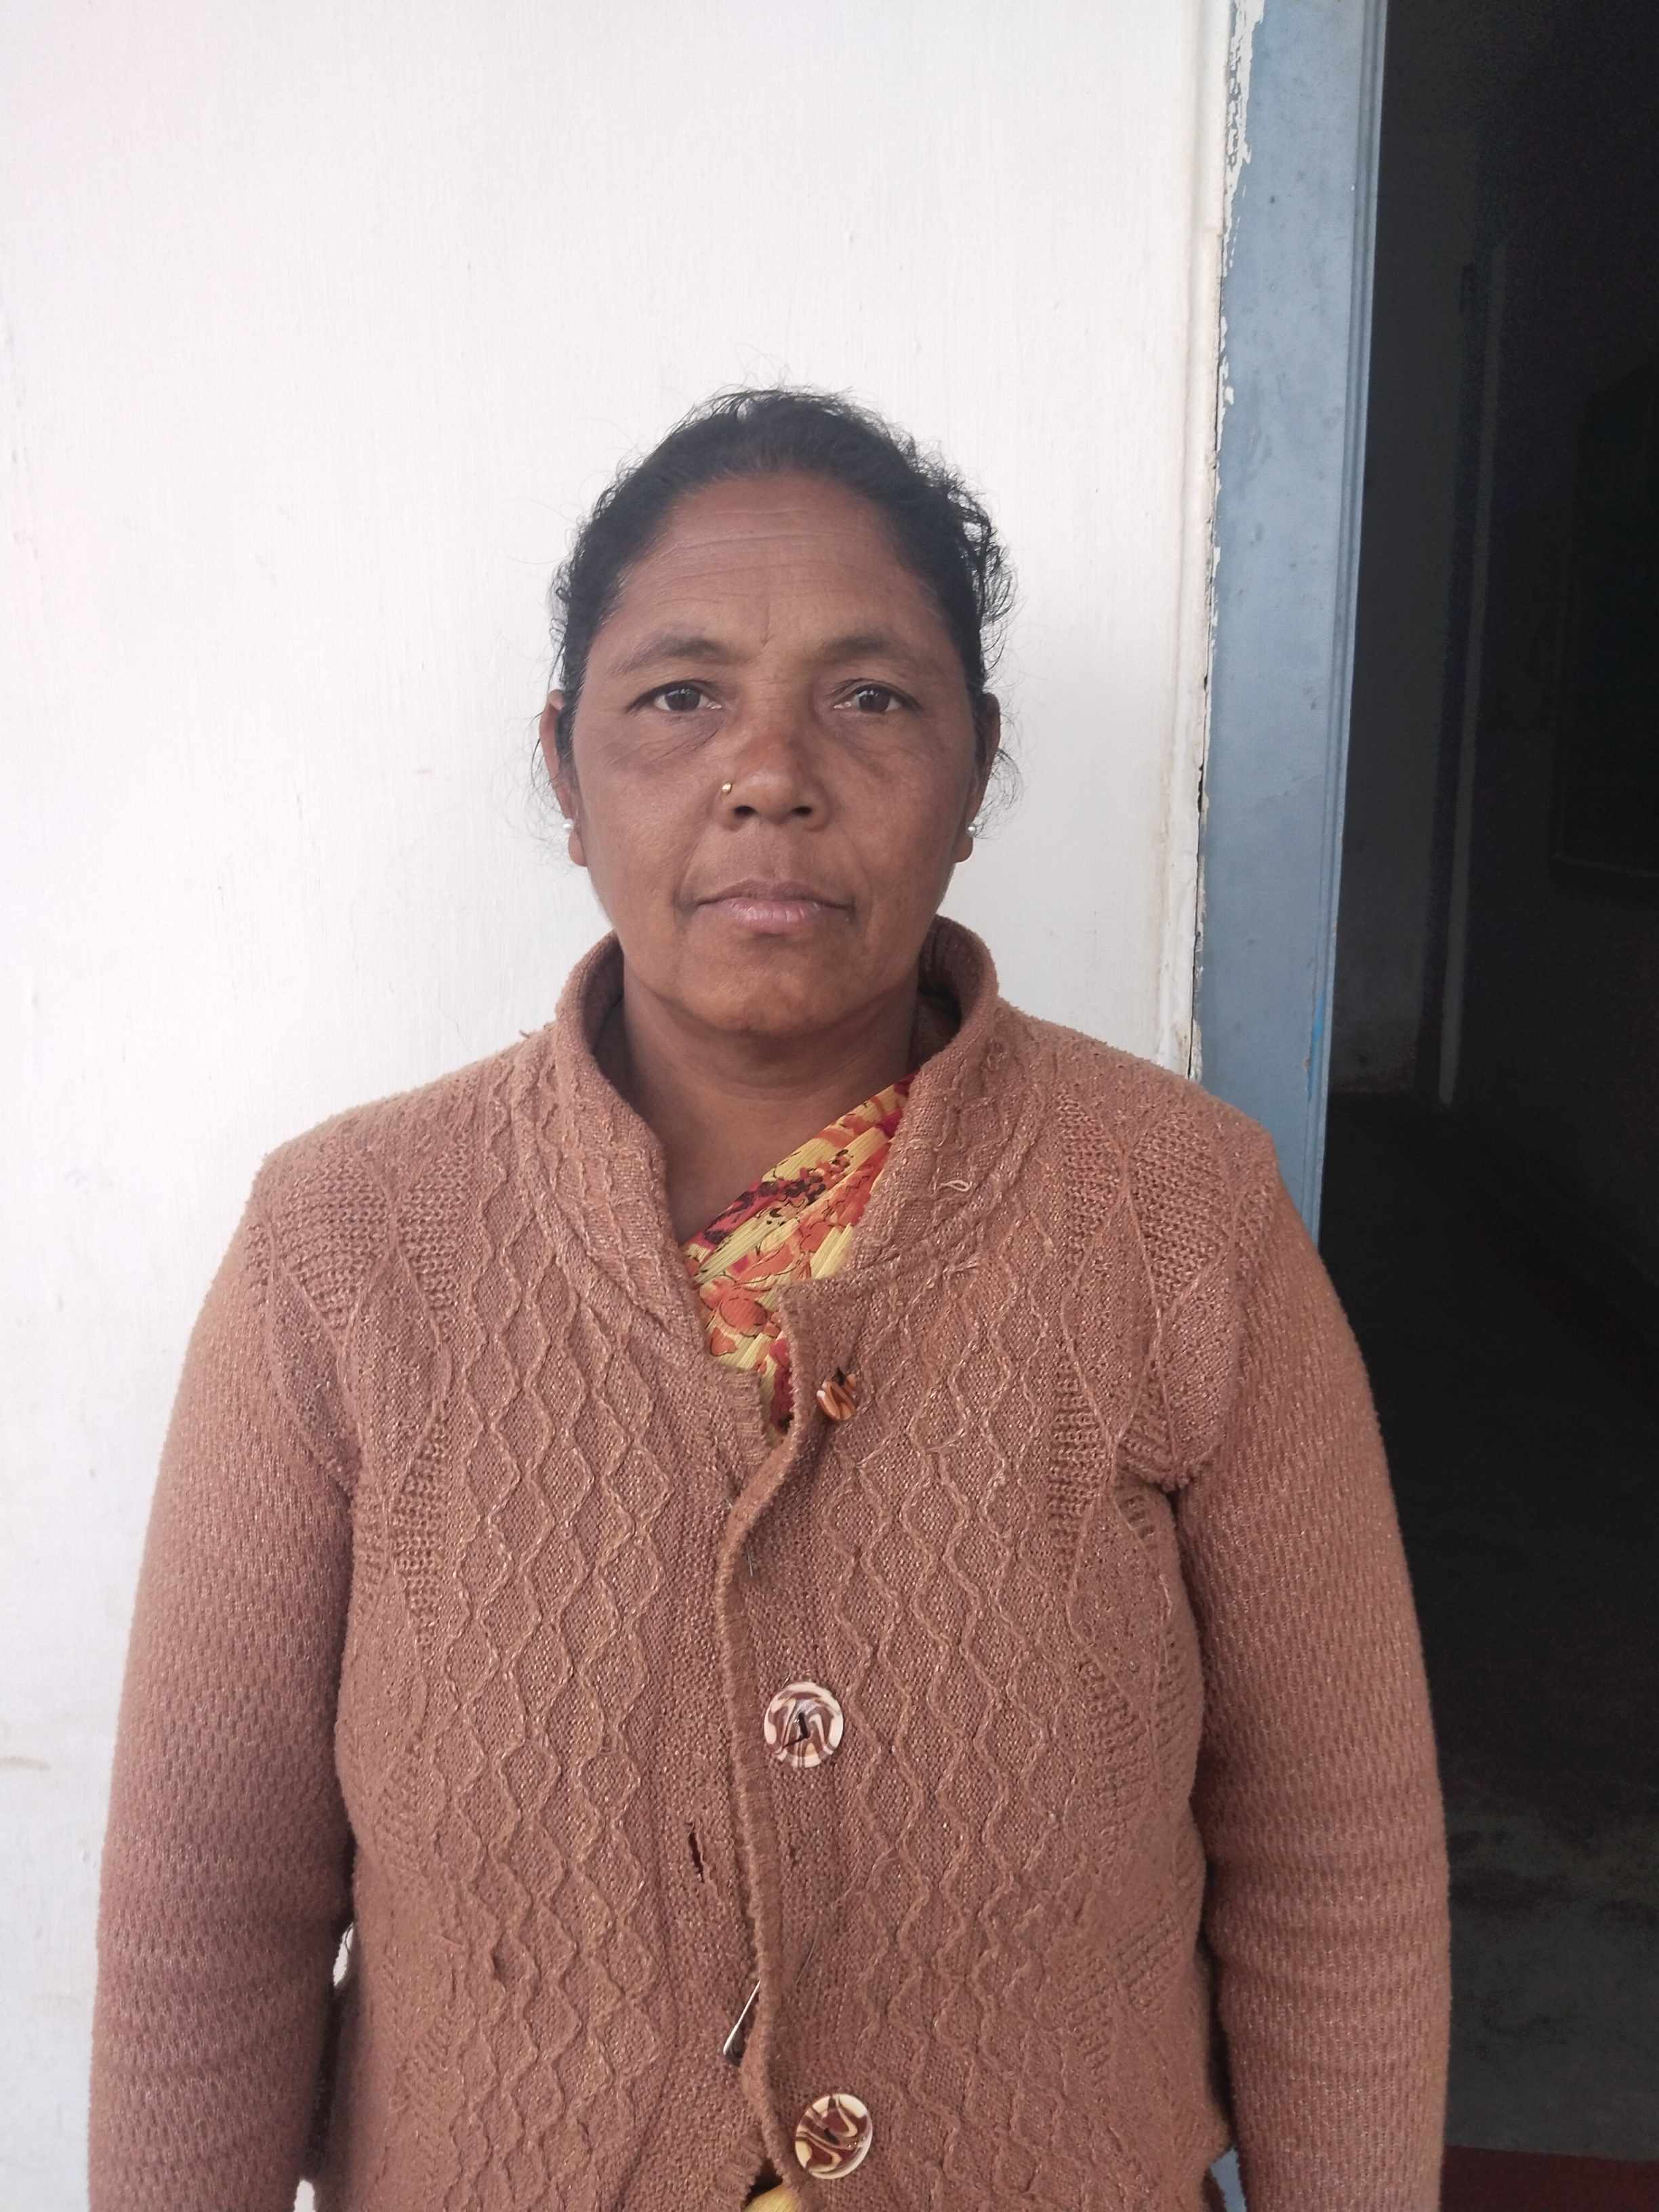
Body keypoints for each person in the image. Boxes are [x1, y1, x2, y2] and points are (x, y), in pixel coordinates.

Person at [89, 388, 1450, 2212]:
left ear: (976, 770)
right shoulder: (344, 1250)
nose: (771, 773)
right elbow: (211, 1914)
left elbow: (1335, 1867)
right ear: (566, 769)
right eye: (680, 697)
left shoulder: (1182, 1220)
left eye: (871, 698)